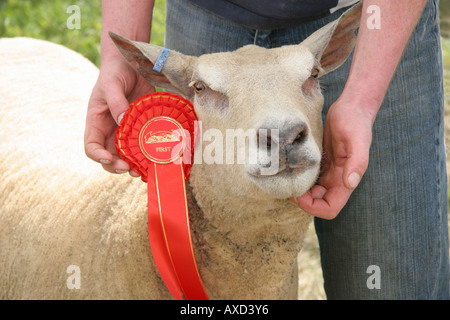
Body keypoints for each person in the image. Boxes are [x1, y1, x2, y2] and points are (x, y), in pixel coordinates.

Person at [84, 0, 450, 299]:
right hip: (209, 15)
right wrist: (121, 55)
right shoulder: (199, 76)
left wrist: (362, 101)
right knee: (195, 269)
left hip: (371, 21)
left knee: (388, 285)